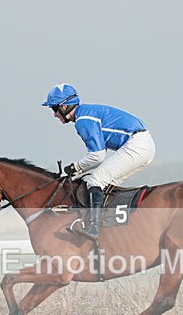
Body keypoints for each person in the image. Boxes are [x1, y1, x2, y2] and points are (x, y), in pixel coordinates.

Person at [42, 83, 155, 240]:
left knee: (95, 180)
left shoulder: (82, 120)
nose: (54, 114)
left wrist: (74, 168)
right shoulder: (86, 113)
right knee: (103, 183)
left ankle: (93, 227)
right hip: (142, 144)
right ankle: (108, 226)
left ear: (64, 106)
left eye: (54, 109)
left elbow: (97, 156)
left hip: (136, 145)